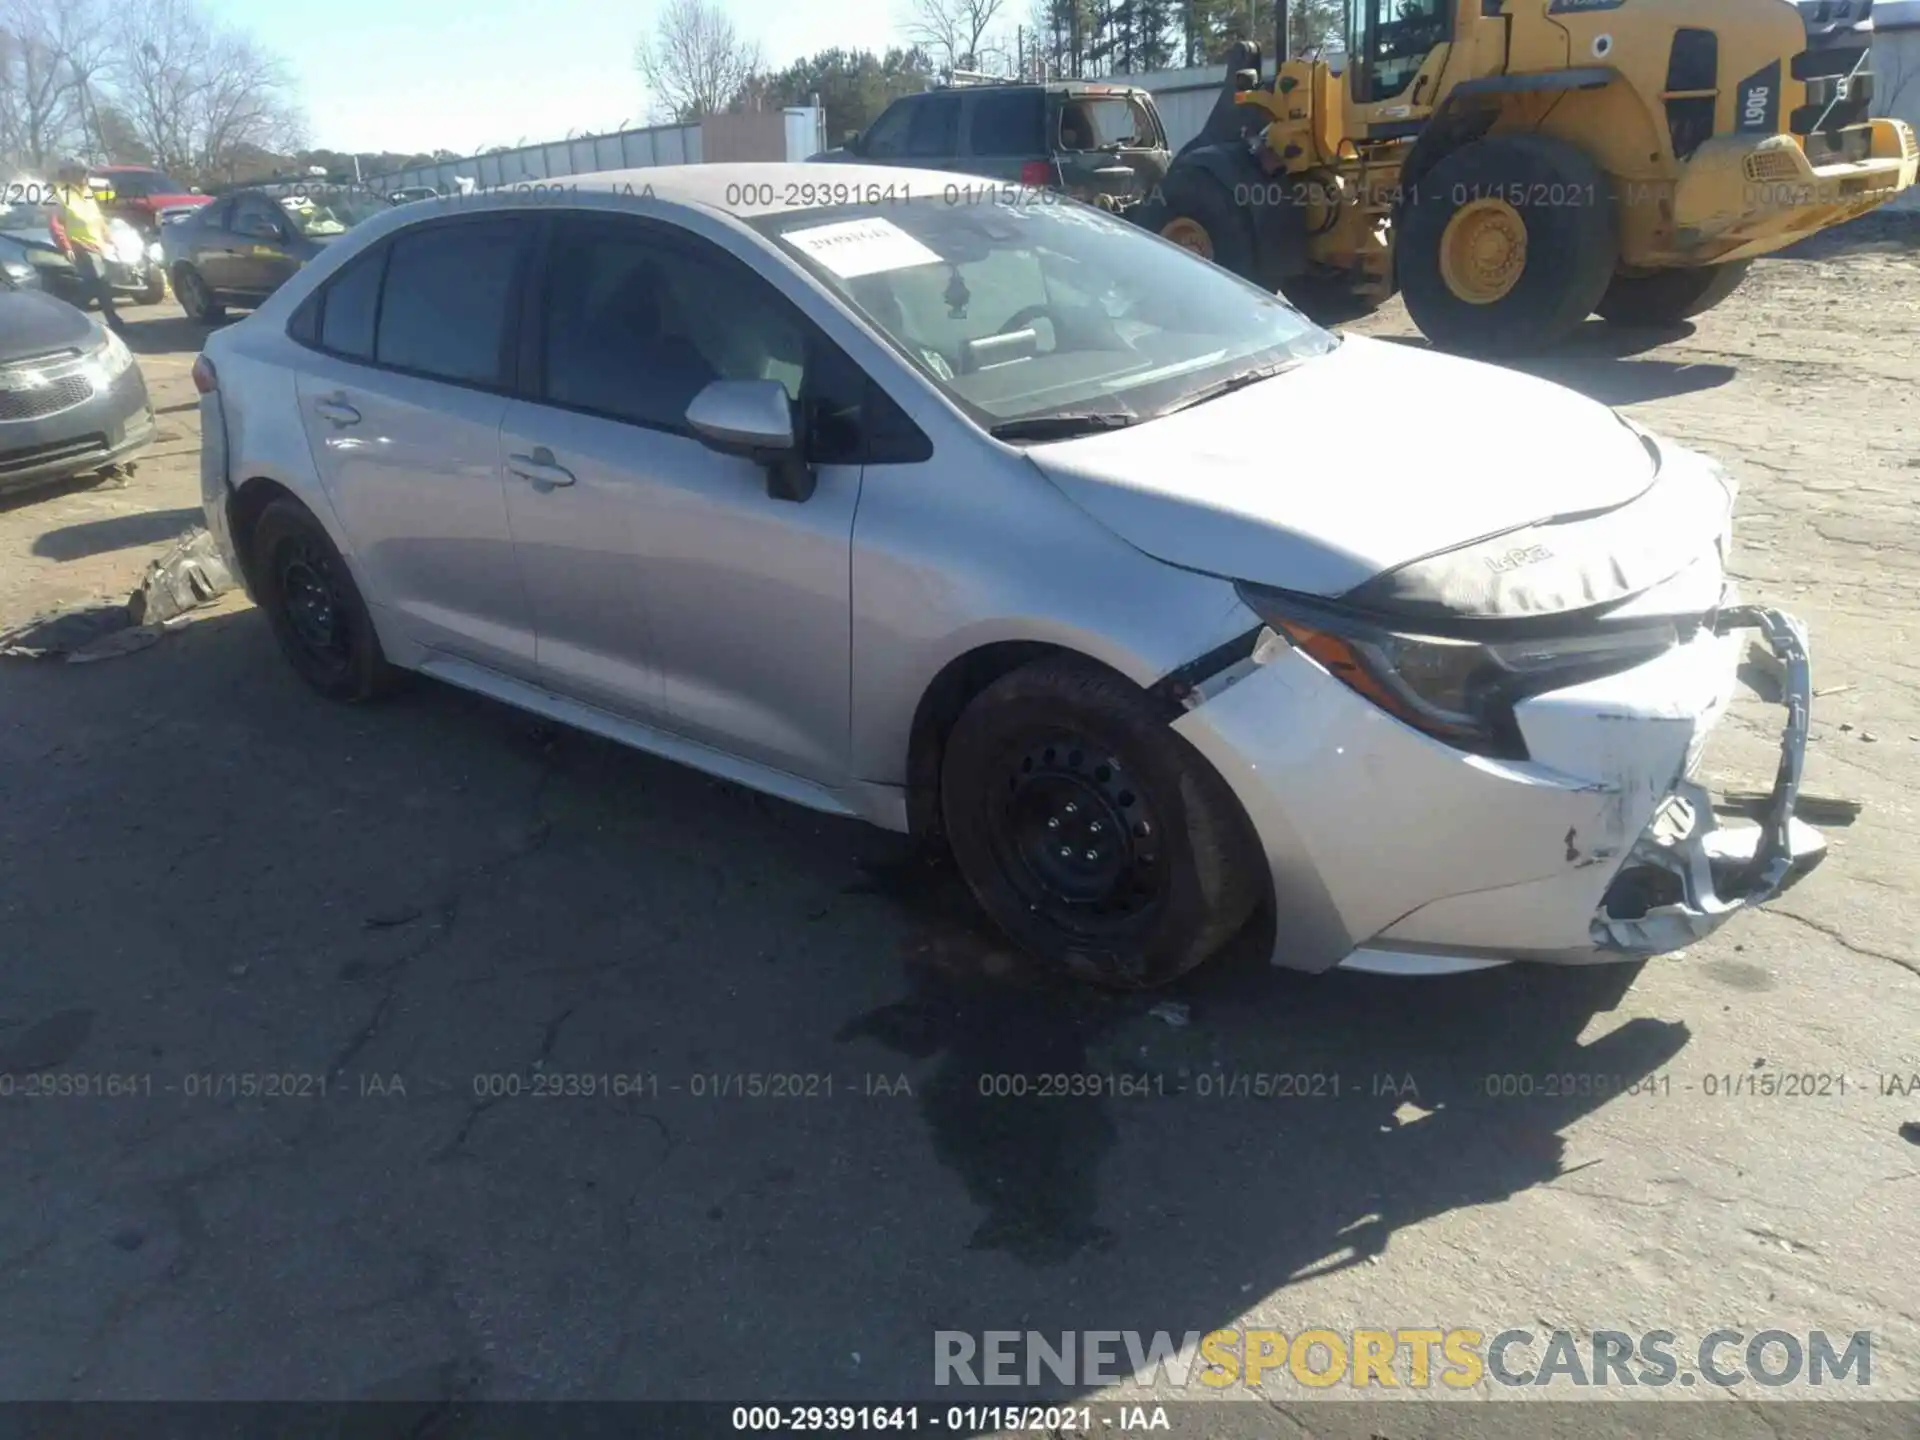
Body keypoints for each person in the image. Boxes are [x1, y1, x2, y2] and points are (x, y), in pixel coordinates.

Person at [52, 161, 126, 334]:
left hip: (96, 244)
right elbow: (55, 222)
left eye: (86, 173)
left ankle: (68, 314)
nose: (86, 177)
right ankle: (114, 321)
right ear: (70, 174)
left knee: (93, 284)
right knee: (100, 282)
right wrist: (65, 245)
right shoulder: (59, 193)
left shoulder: (87, 192)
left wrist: (108, 237)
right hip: (78, 243)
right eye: (82, 173)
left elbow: (97, 218)